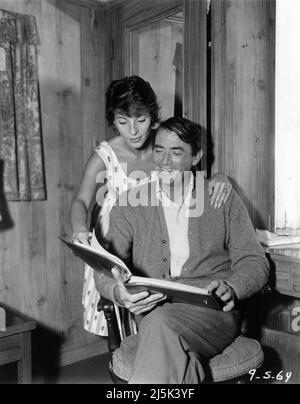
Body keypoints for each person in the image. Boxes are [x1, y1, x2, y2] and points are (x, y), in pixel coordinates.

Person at [95, 116, 270, 384]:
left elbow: (254, 260)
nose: (164, 161)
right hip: (154, 313)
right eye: (159, 150)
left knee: (159, 324)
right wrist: (117, 292)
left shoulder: (220, 198)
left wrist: (233, 286)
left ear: (196, 155)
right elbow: (106, 268)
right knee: (168, 339)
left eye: (176, 152)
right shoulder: (129, 204)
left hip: (213, 314)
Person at [70, 76, 233, 336]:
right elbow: (80, 200)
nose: (133, 131)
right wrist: (80, 229)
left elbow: (192, 173)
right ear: (114, 120)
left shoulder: (164, 144)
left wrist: (219, 177)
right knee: (119, 323)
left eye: (141, 121)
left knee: (159, 323)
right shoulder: (105, 155)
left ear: (153, 116)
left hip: (155, 246)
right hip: (117, 247)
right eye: (123, 123)